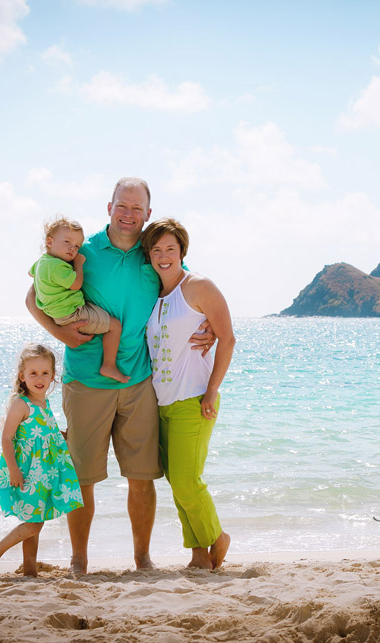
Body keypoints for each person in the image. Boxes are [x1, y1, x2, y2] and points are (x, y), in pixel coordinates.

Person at [25, 177, 214, 575]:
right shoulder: (83, 251)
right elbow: (32, 296)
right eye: (122, 206)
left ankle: (142, 559)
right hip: (85, 381)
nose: (129, 214)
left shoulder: (153, 252)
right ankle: (79, 561)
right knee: (82, 479)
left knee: (142, 478)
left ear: (148, 212)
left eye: (137, 208)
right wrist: (60, 334)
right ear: (109, 208)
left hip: (139, 380)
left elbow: (187, 288)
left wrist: (210, 325)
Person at [141, 218, 235, 570]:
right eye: (156, 250)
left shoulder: (198, 286)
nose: (164, 256)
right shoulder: (154, 293)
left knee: (185, 480)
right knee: (176, 481)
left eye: (170, 249)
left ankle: (217, 537)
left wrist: (212, 390)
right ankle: (197, 554)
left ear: (182, 251)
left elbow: (228, 339)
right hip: (163, 402)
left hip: (194, 398)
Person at [0, 344, 83, 576]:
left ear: (53, 375)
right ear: (22, 376)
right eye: (33, 373)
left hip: (45, 471)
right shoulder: (22, 404)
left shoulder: (44, 403)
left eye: (45, 373)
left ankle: (29, 570)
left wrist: (60, 436)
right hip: (27, 471)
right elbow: (6, 438)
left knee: (36, 518)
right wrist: (13, 470)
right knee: (34, 523)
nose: (40, 378)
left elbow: (40, 433)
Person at [30, 217, 129, 384]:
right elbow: (76, 284)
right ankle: (109, 365)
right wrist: (78, 264)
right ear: (49, 242)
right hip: (73, 313)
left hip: (59, 314)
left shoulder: (41, 263)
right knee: (115, 326)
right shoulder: (57, 266)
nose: (72, 248)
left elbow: (31, 274)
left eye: (77, 246)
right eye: (67, 242)